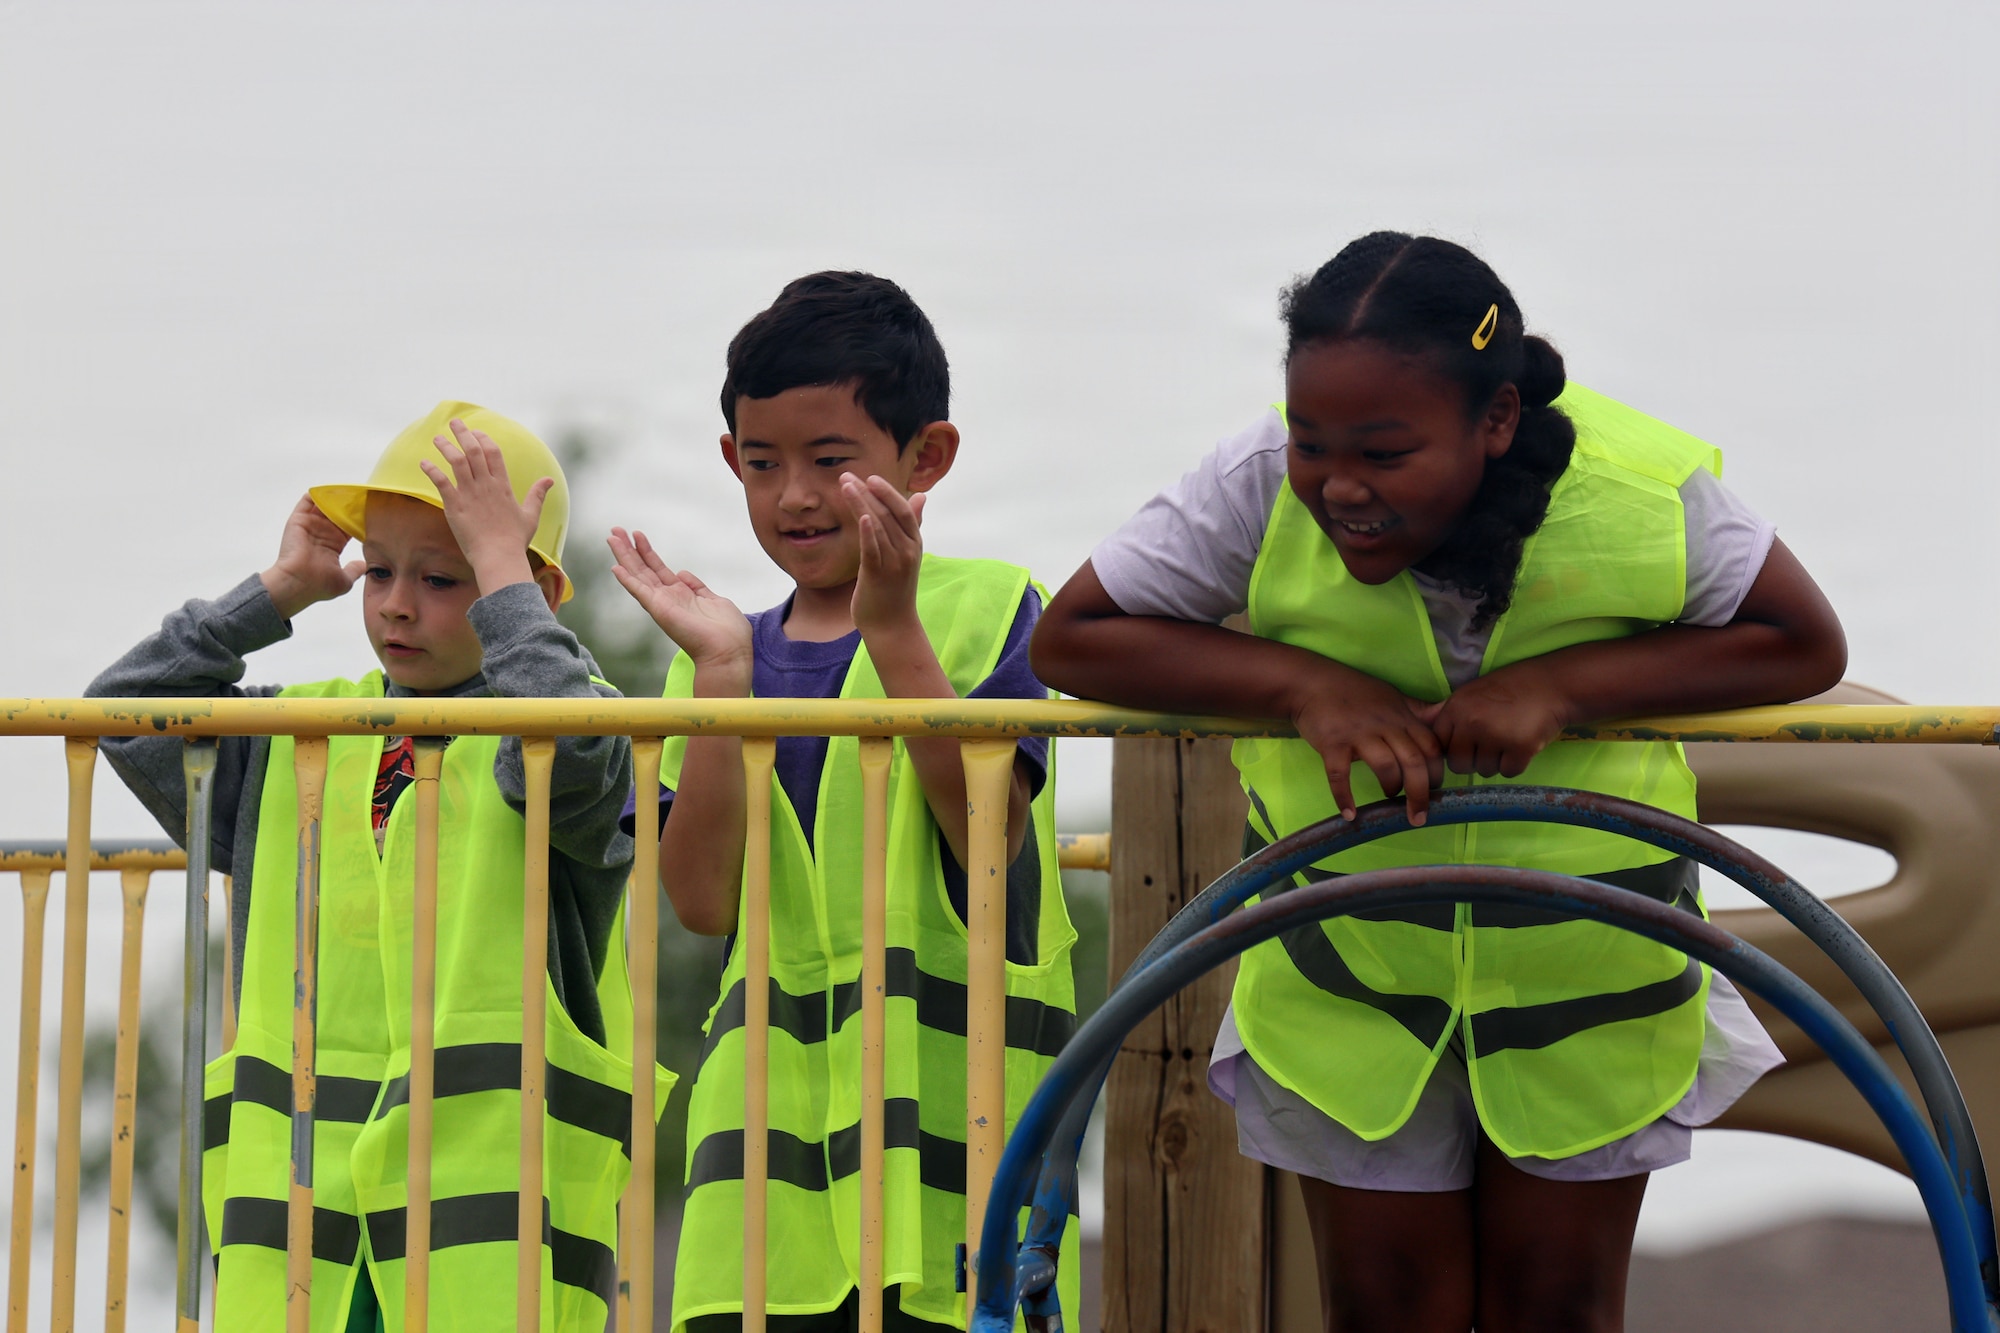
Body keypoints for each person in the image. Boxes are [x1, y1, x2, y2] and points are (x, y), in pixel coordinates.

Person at [1029, 233, 1848, 1333]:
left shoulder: (1644, 494)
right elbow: (1075, 640)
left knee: (1552, 1306)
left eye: (1383, 449)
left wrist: (1564, 688)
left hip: (1587, 976)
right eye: (1311, 442)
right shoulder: (1256, 481)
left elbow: (1800, 642)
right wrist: (1303, 686)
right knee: (1386, 1309)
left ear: (1495, 419)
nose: (1338, 484)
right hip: (1352, 979)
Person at [87, 403, 661, 1333]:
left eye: (444, 578)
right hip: (300, 1248)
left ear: (531, 593)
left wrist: (505, 577)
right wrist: (275, 590)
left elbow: (570, 738)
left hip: (486, 1254)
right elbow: (123, 709)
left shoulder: (563, 735)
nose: (396, 603)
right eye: (381, 570)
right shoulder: (298, 741)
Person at [609, 271, 1078, 1331]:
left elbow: (986, 836)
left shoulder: (988, 603)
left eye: (832, 461)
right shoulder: (710, 657)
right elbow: (700, 901)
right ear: (729, 459)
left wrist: (894, 625)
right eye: (763, 464)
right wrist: (725, 679)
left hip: (957, 1160)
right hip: (760, 1194)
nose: (795, 497)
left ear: (927, 458)